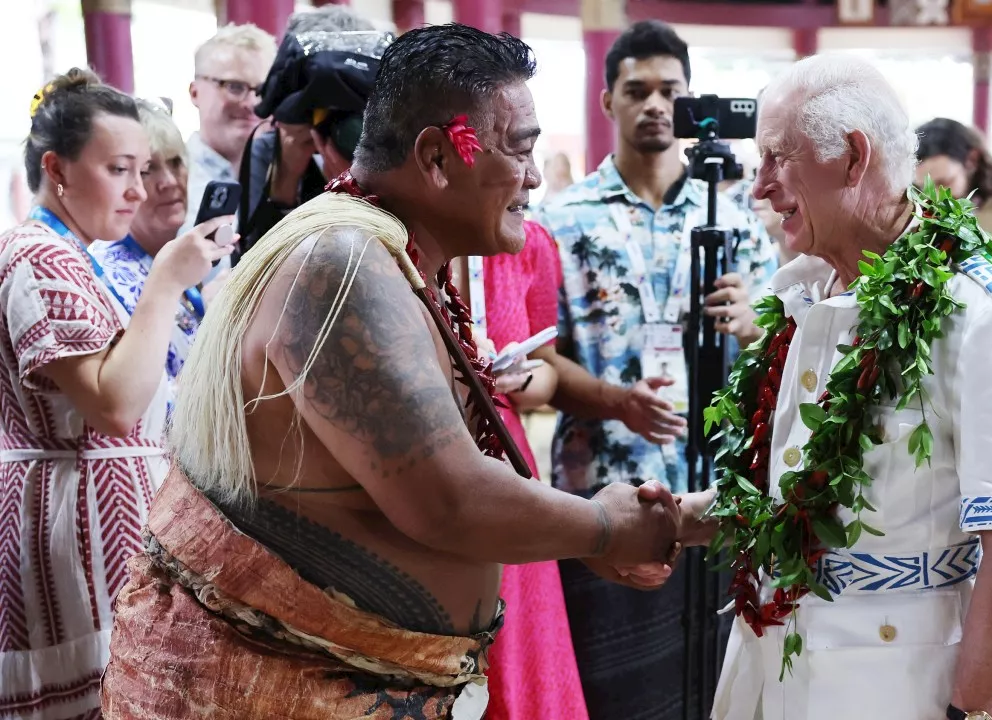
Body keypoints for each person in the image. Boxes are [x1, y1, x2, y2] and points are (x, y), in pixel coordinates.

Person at [100, 24, 681, 719]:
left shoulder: (384, 254)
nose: (533, 177)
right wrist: (601, 528)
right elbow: (447, 500)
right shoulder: (342, 265)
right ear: (437, 156)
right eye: (519, 150)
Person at [672, 52, 992, 720]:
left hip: (889, 686)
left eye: (776, 158)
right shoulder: (802, 289)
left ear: (853, 157)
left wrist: (970, 711)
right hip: (769, 662)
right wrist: (677, 519)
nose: (757, 186)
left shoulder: (979, 313)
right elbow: (793, 498)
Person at [533, 19, 777, 720]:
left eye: (670, 90)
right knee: (615, 695)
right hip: (605, 497)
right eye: (636, 89)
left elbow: (780, 349)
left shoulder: (733, 219)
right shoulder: (562, 219)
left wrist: (757, 322)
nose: (655, 105)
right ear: (607, 100)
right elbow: (540, 351)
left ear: (690, 99)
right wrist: (614, 399)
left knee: (718, 691)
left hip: (718, 496)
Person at [0, 69, 231, 720]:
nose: (137, 191)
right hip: (77, 526)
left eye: (148, 169)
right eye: (120, 169)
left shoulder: (69, 252)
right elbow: (115, 405)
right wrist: (164, 283)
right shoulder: (37, 254)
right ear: (58, 169)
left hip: (102, 523)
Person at [458, 219, 590, 720]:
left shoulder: (527, 240)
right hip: (435, 461)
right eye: (516, 151)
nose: (530, 174)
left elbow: (547, 369)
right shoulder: (396, 237)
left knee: (521, 662)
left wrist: (519, 377)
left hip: (509, 461)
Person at [89, 101, 233, 396]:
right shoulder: (107, 274)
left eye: (176, 162)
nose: (169, 181)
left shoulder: (174, 259)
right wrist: (217, 324)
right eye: (148, 170)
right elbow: (146, 410)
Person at [239, 7, 388, 253]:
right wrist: (285, 178)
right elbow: (251, 262)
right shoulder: (268, 149)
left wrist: (358, 186)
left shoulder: (384, 146)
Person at [184, 22, 276, 232]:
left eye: (263, 90)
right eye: (235, 87)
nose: (253, 103)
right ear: (195, 92)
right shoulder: (169, 182)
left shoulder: (288, 175)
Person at [915, 117, 992, 245]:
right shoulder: (920, 222)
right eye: (924, 188)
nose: (936, 198)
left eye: (944, 183)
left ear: (972, 160)